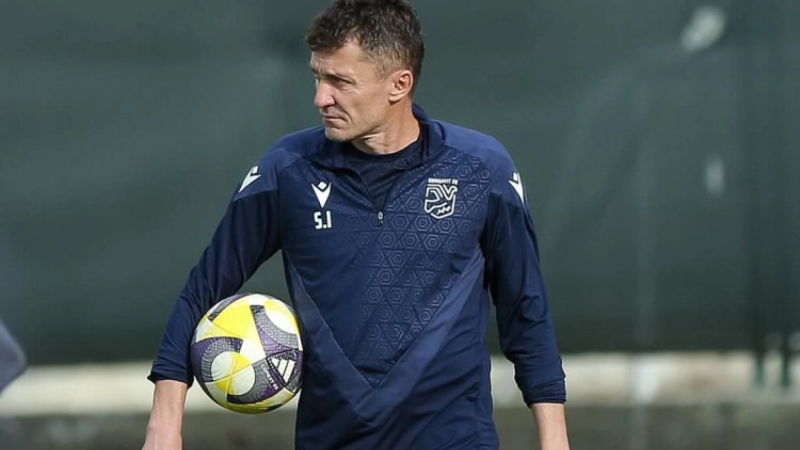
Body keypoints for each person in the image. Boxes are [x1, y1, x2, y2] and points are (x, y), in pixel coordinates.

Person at [142, 0, 570, 449]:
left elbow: (526, 310)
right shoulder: (287, 170)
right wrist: (163, 425)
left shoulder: (481, 169)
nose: (321, 98)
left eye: (340, 82)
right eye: (318, 77)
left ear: (399, 84)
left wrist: (555, 438)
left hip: (455, 439)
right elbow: (202, 291)